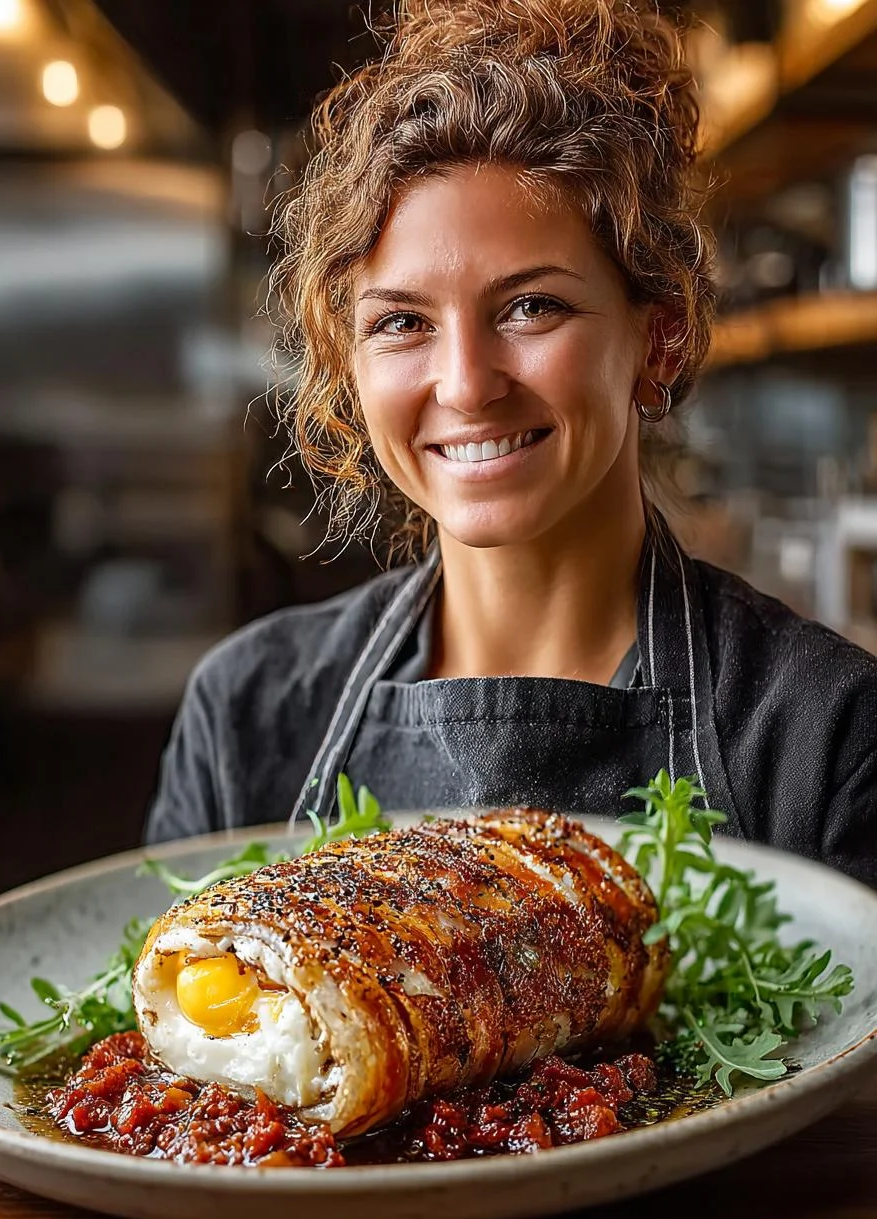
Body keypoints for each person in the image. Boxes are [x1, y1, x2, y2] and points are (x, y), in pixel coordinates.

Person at [145, 0, 877, 887]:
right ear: (350, 364)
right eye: (403, 322)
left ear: (660, 338)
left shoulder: (827, 736)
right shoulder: (245, 718)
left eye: (532, 307)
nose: (464, 384)